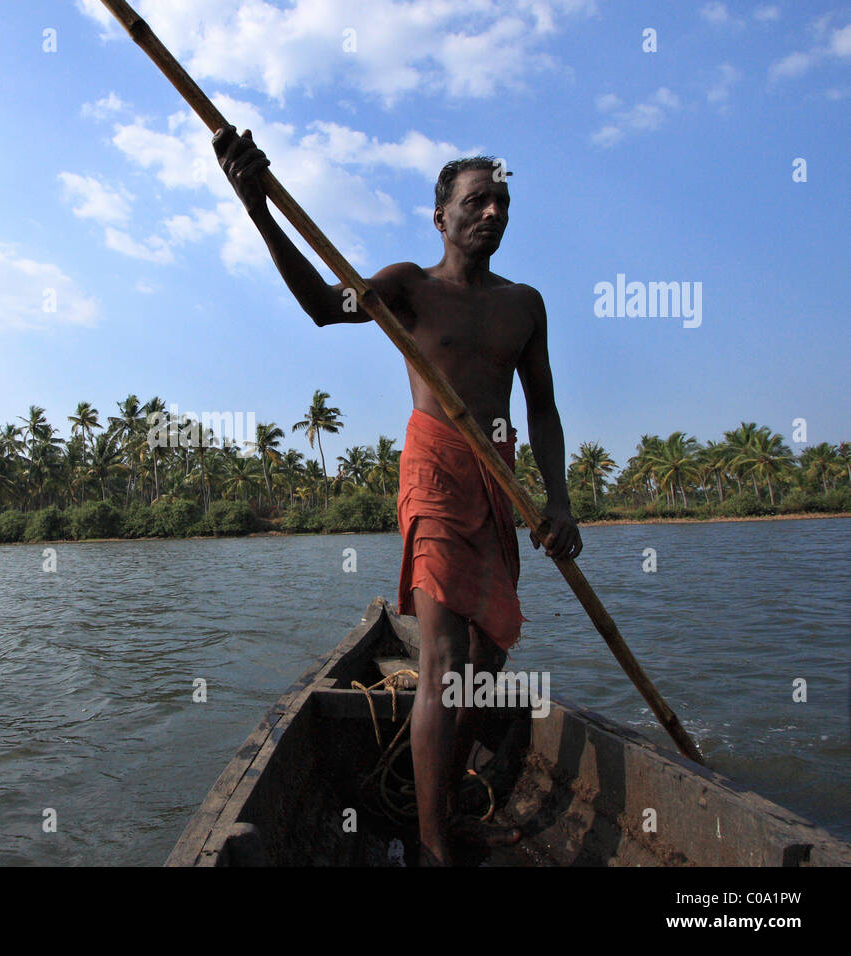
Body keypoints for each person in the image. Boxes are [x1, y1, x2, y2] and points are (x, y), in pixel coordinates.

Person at [214, 126, 582, 865]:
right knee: (443, 661)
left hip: (498, 477)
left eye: (502, 202)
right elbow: (323, 304)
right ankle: (434, 845)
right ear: (440, 216)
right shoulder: (408, 287)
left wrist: (560, 499)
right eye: (476, 201)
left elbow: (541, 408)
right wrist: (256, 205)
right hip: (436, 472)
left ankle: (446, 806)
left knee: (486, 663)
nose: (493, 213)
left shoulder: (525, 305)